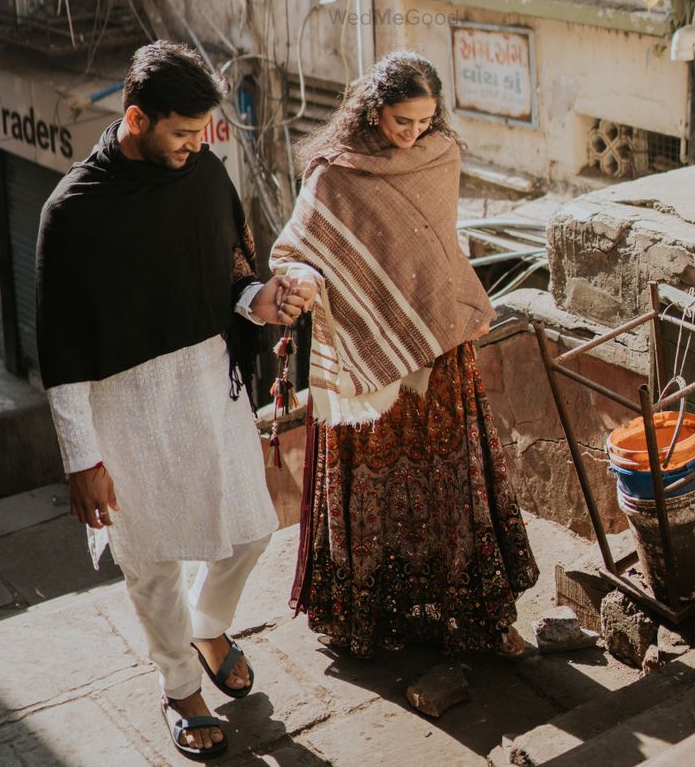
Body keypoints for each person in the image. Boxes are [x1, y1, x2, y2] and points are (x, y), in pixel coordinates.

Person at [36, 41, 316, 762]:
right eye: (183, 134)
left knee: (252, 528)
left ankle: (210, 622)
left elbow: (231, 284)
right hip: (123, 413)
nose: (198, 147)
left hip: (207, 388)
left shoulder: (201, 176)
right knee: (153, 560)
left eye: (203, 134)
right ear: (136, 119)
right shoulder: (71, 214)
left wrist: (267, 300)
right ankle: (180, 686)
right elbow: (63, 352)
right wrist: (82, 460)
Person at [270, 50, 539, 658]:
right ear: (373, 109)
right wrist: (309, 279)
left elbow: (432, 248)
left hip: (439, 350)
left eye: (425, 120)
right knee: (375, 487)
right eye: (402, 122)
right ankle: (371, 620)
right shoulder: (334, 175)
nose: (414, 132)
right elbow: (290, 250)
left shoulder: (440, 158)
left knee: (450, 478)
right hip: (369, 371)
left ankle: (477, 617)